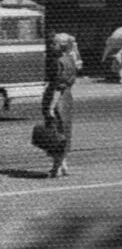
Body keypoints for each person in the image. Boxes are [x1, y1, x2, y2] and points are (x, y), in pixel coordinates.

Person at [41, 32, 77, 178]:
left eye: (54, 43)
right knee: (64, 131)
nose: (51, 46)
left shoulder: (57, 62)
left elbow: (57, 86)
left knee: (54, 133)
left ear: (61, 45)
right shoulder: (70, 59)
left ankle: (56, 167)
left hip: (57, 99)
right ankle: (63, 165)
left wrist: (50, 106)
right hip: (67, 97)